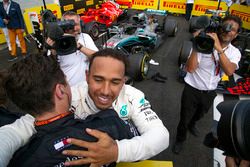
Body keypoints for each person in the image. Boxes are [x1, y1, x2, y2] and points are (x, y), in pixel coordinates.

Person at [0, 48, 169, 166]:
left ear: (124, 81)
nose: (105, 91)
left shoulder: (133, 96)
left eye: (115, 82)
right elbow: (15, 131)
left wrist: (116, 152)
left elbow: (161, 136)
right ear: (87, 76)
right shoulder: (70, 95)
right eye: (98, 79)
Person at [172, 15, 242, 154]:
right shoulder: (203, 43)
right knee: (184, 118)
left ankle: (193, 124)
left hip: (210, 91)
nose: (228, 31)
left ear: (236, 35)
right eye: (226, 27)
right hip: (192, 89)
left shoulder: (235, 52)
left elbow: (229, 70)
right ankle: (180, 138)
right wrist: (197, 44)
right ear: (219, 28)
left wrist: (218, 48)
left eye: (232, 29)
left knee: (200, 114)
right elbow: (190, 69)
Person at [46, 11, 98, 87]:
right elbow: (50, 69)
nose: (74, 28)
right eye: (69, 25)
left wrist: (79, 47)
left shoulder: (85, 37)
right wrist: (53, 50)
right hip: (68, 92)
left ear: (81, 24)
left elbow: (98, 58)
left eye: (76, 24)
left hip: (86, 88)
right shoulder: (57, 41)